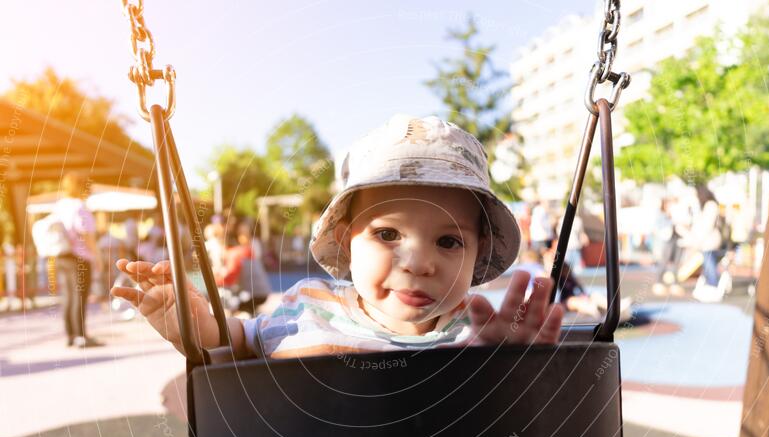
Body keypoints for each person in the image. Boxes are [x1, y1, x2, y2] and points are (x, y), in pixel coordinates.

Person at [111, 114, 564, 360]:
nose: (419, 263)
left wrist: (510, 363)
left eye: (449, 242)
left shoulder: (479, 329)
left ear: (479, 251)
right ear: (347, 242)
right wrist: (197, 327)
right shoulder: (309, 306)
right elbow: (243, 342)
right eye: (388, 233)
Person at [52, 172, 104, 348]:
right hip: (79, 257)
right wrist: (97, 257)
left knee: (67, 296)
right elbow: (85, 233)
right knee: (79, 296)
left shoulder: (60, 205)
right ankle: (81, 336)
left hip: (61, 255)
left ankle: (70, 335)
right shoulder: (78, 206)